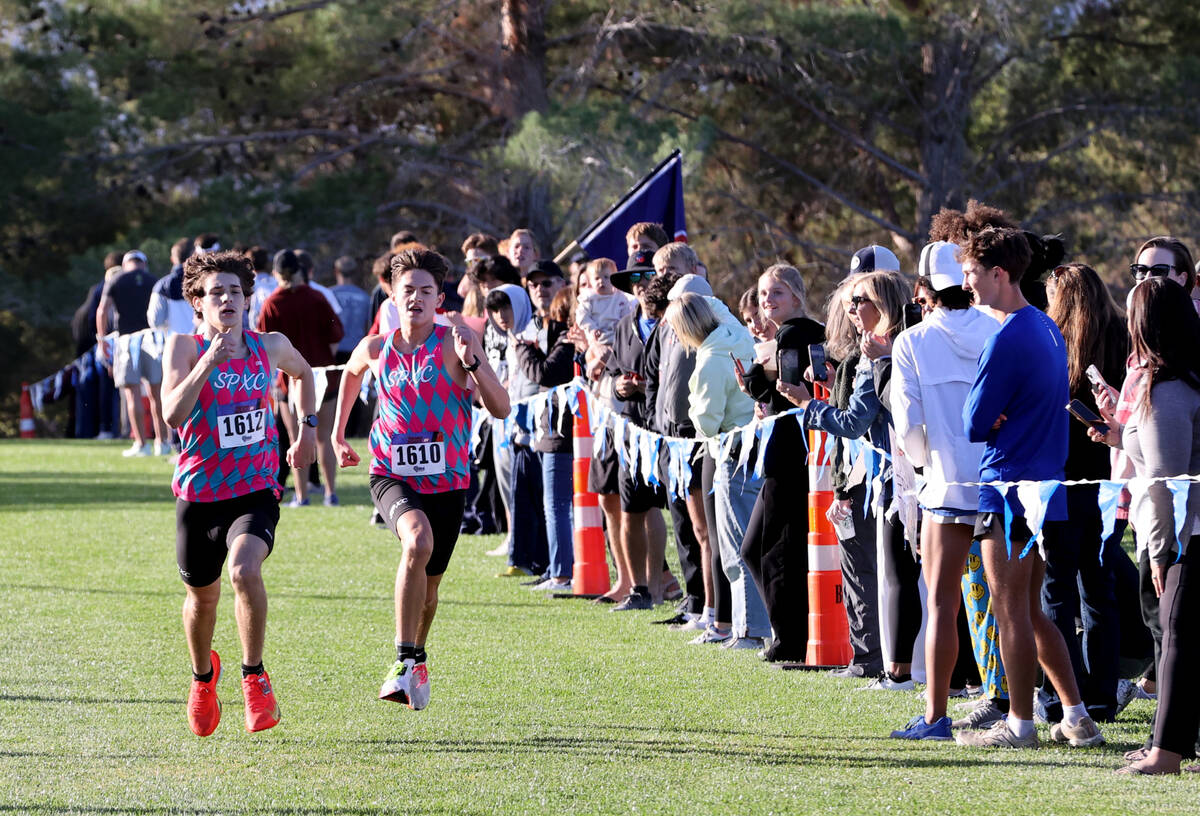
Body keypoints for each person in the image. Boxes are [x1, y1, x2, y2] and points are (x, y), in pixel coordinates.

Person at [332, 248, 509, 710]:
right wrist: (337, 434)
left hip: (448, 480)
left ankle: (417, 659)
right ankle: (402, 660)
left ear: (439, 298)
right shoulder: (376, 347)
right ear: (392, 295)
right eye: (407, 290)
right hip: (390, 473)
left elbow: (501, 407)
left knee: (430, 587)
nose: (415, 298)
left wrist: (473, 365)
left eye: (425, 291)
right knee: (417, 541)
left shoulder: (457, 342)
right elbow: (351, 375)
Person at [957, 226, 1103, 749]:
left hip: (1008, 486)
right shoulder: (1045, 325)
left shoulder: (1007, 337)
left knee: (1010, 609)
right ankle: (1077, 716)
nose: (966, 284)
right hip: (1043, 486)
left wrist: (993, 414)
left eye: (971, 273)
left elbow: (973, 422)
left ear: (999, 274)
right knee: (1031, 608)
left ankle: (1020, 724)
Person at [161, 249, 317, 736]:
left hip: (255, 488)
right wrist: (208, 361)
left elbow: (305, 373)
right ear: (198, 303)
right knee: (202, 600)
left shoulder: (270, 346)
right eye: (216, 293)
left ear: (248, 299)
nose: (227, 299)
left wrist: (307, 429)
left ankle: (254, 677)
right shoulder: (183, 348)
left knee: (245, 570)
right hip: (199, 494)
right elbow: (172, 414)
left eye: (235, 291)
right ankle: (203, 678)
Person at [780, 268, 922, 687]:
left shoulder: (886, 352)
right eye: (851, 302)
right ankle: (890, 664)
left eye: (861, 301)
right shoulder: (885, 349)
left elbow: (854, 422)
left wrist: (808, 405)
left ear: (885, 305)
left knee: (893, 577)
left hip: (893, 479)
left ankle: (892, 667)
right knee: (892, 576)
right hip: (890, 476)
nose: (852, 309)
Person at [886, 242, 1001, 740]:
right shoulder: (996, 328)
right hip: (999, 481)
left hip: (946, 485)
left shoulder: (911, 341)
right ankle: (1036, 708)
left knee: (941, 604)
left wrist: (924, 463)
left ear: (924, 288)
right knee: (1018, 607)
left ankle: (936, 716)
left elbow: (908, 426)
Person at [1092, 278, 1200, 774]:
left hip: (1187, 535)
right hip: (1187, 530)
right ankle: (1172, 744)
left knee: (1176, 638)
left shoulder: (1169, 389)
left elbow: (1165, 482)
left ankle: (1166, 753)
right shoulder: (1181, 382)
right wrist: (1121, 435)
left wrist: (1161, 550)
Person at [1042, 262, 1128, 723]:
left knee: (1056, 590)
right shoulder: (1123, 338)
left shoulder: (1052, 342)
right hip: (1107, 477)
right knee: (1099, 589)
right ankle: (1101, 697)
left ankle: (1062, 696)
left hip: (1061, 478)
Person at [668, 292, 772, 649]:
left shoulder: (711, 360)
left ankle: (749, 630)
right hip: (754, 446)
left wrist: (692, 401)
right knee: (747, 544)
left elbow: (707, 422)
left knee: (734, 547)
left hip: (731, 451)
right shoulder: (736, 335)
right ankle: (749, 626)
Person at [737, 263, 825, 661]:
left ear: (796, 296)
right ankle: (790, 633)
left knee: (774, 550)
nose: (767, 300)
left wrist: (752, 380)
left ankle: (790, 640)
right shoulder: (801, 332)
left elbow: (781, 389)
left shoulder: (792, 333)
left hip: (790, 454)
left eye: (776, 292)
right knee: (760, 548)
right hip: (799, 451)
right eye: (762, 294)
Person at [597, 250, 670, 610]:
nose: (641, 285)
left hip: (664, 427)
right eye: (634, 279)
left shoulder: (671, 321)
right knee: (630, 508)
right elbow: (612, 372)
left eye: (647, 277)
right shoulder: (625, 324)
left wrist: (647, 388)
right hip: (630, 428)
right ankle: (638, 588)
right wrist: (618, 386)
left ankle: (657, 586)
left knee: (656, 507)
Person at [257, 249, 344, 507]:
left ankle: (302, 495)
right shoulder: (317, 297)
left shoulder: (273, 303)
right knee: (324, 437)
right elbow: (336, 335)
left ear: (276, 273)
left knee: (296, 438)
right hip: (323, 374)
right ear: (300, 270)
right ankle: (330, 493)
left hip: (290, 378)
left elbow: (264, 343)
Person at [510, 265, 575, 591]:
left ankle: (563, 573)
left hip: (564, 428)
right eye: (533, 284)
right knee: (552, 504)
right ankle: (556, 568)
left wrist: (522, 348)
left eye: (546, 283)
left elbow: (545, 373)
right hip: (546, 425)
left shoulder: (568, 332)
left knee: (558, 504)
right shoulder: (544, 328)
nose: (539, 289)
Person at [485, 284, 549, 579]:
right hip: (512, 427)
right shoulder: (506, 338)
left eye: (506, 307)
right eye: (495, 310)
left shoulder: (536, 330)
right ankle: (521, 558)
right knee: (516, 494)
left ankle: (542, 562)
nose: (501, 315)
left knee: (538, 497)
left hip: (537, 429)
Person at [97, 249, 170, 457]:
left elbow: (102, 310)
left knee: (132, 394)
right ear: (144, 264)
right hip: (152, 339)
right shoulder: (153, 280)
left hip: (126, 341)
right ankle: (162, 442)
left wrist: (102, 339)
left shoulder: (116, 279)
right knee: (157, 394)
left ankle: (141, 443)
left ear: (125, 264)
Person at [575, 258, 637, 348]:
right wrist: (592, 328)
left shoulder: (620, 298)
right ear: (591, 282)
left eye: (606, 277)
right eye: (597, 278)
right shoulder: (589, 298)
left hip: (618, 336)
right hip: (599, 337)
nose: (601, 281)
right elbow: (582, 316)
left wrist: (621, 324)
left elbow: (626, 315)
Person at [148, 237, 198, 338]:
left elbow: (155, 321)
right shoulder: (205, 281)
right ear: (194, 255)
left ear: (172, 259)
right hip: (202, 342)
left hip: (175, 342)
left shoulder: (162, 286)